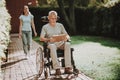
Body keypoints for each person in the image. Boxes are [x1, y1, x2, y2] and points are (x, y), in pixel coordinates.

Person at [40, 10, 72, 75]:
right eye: (52, 18)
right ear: (48, 18)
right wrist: (49, 39)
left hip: (61, 43)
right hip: (51, 44)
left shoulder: (60, 25)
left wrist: (67, 38)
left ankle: (67, 68)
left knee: (68, 44)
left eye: (55, 18)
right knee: (52, 46)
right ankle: (57, 69)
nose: (54, 20)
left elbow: (67, 35)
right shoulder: (45, 27)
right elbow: (41, 38)